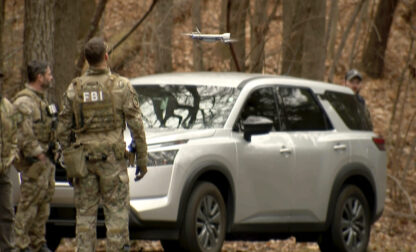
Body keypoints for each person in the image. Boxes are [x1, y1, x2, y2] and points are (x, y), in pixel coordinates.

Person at [57, 37, 148, 252]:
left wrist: (69, 158)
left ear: (87, 60)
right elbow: (137, 126)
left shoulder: (75, 88)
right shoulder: (121, 86)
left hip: (84, 163)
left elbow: (62, 130)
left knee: (85, 219)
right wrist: (142, 160)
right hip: (113, 162)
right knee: (116, 216)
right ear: (106, 57)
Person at [13, 60, 56, 252]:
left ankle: (38, 243)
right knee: (27, 207)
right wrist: (39, 156)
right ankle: (21, 245)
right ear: (39, 77)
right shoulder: (23, 103)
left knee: (43, 206)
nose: (51, 77)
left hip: (46, 163)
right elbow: (24, 135)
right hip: (34, 164)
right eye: (48, 74)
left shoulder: (41, 100)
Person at [0, 71, 20, 252]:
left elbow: (14, 135)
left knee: (7, 212)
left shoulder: (7, 107)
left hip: (3, 170)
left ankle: (7, 247)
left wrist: (10, 157)